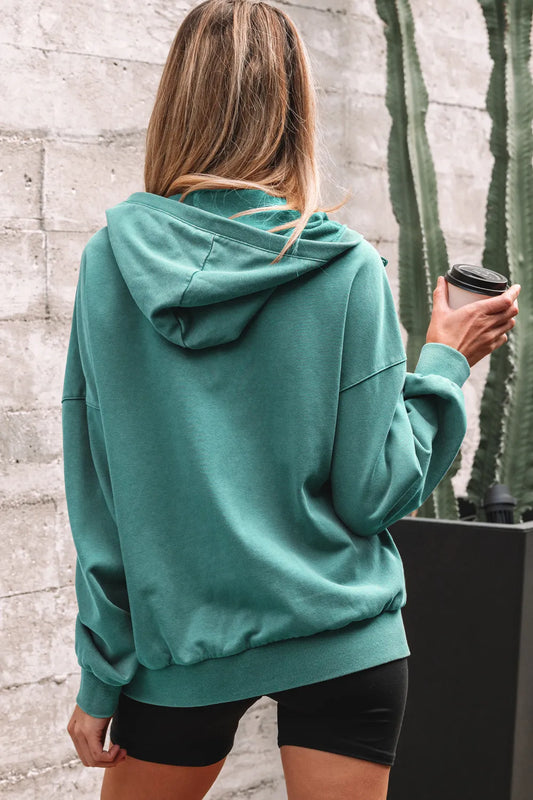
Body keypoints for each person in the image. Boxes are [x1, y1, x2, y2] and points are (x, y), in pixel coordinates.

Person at [61, 1, 521, 798]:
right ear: (293, 109)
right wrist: (444, 363)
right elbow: (373, 491)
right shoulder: (342, 268)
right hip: (343, 638)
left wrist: (102, 675)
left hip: (181, 648)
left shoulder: (111, 265)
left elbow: (99, 498)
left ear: (177, 103)